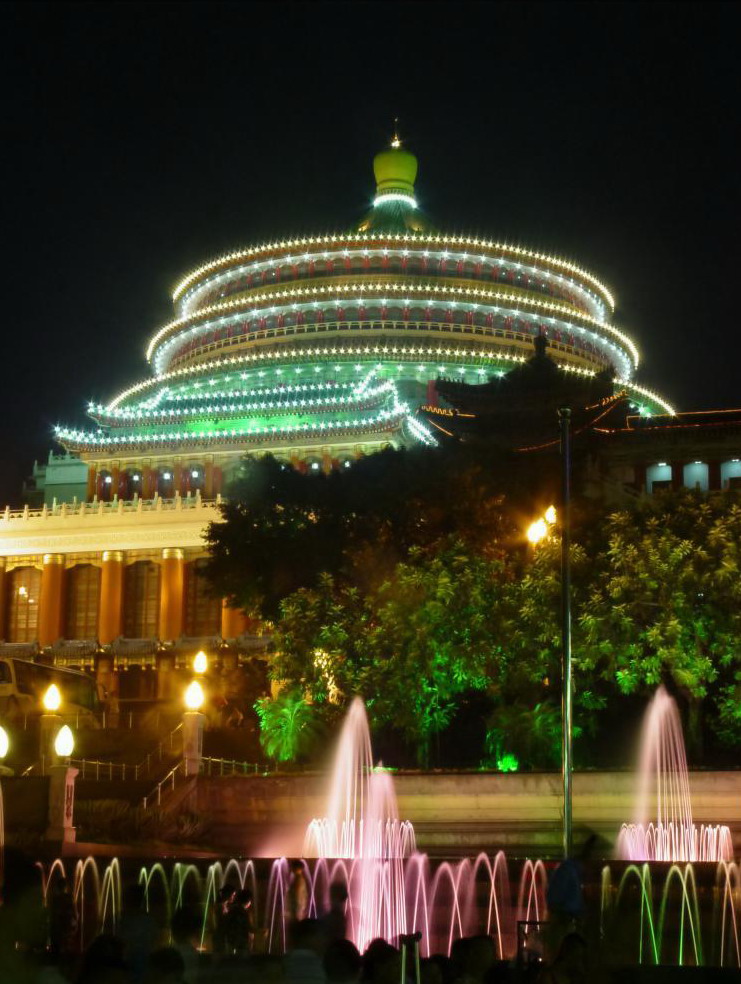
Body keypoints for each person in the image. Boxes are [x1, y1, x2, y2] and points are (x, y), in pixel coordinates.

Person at [118, 883, 159, 984]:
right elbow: (154, 941)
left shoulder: (122, 920)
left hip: (130, 963)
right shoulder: (149, 920)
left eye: (125, 899)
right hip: (141, 963)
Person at [283, 918, 326, 983]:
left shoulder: (285, 962)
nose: (324, 941)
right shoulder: (320, 965)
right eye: (321, 936)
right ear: (308, 937)